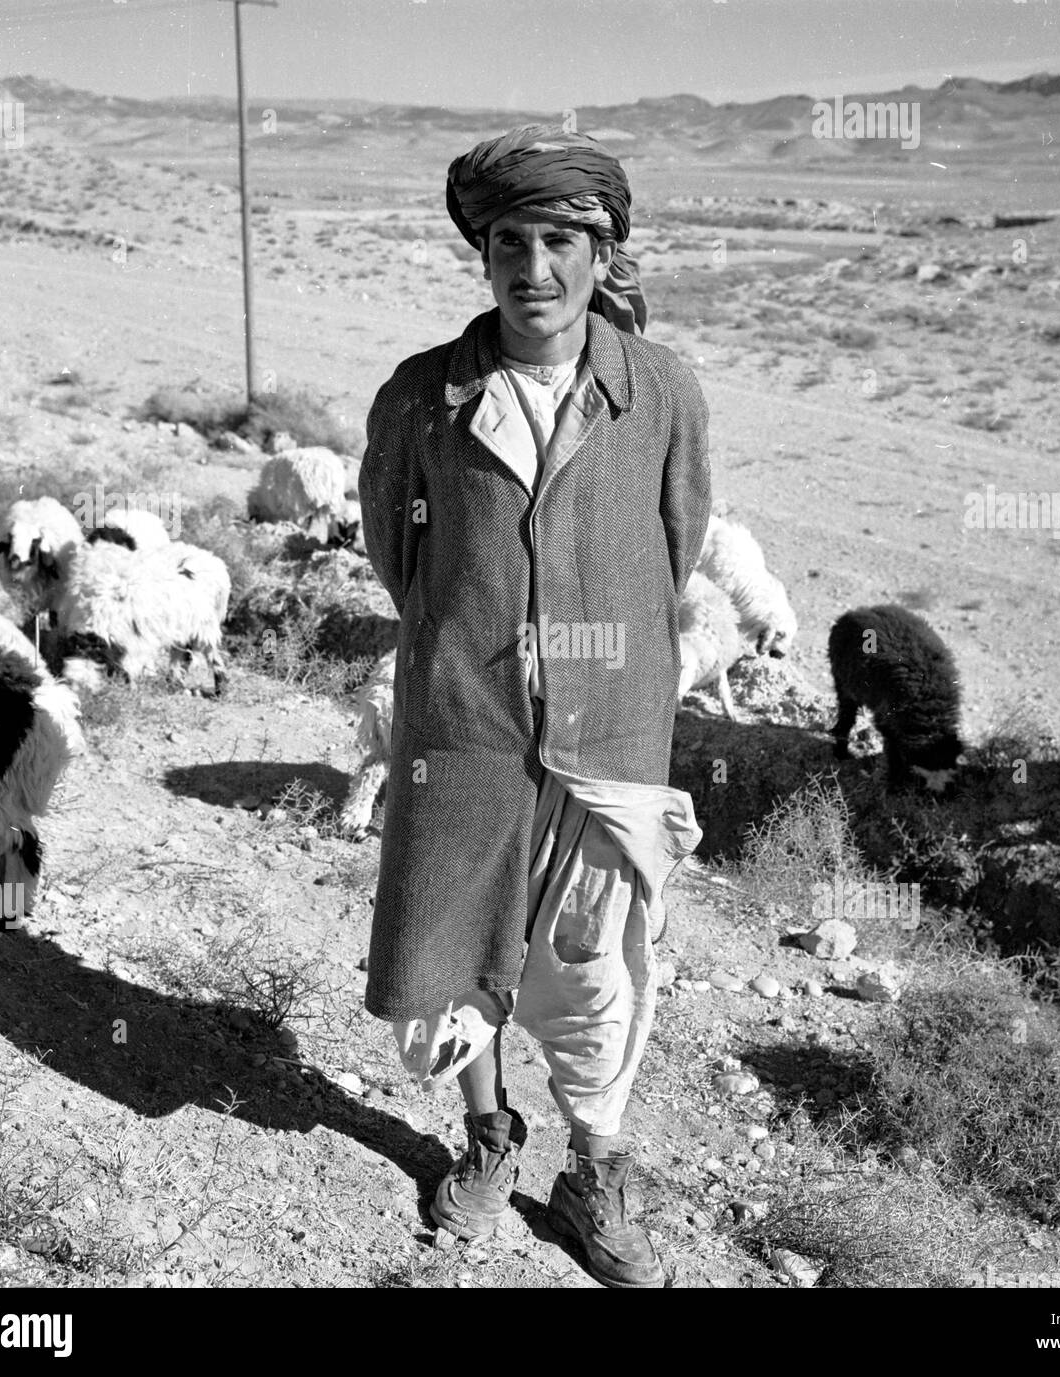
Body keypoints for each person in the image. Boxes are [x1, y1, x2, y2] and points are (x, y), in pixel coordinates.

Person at [358, 124, 710, 1289]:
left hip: (609, 731)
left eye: (560, 240)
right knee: (453, 950)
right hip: (464, 727)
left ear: (601, 251)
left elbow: (676, 544)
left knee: (596, 964)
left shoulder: (657, 390)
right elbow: (401, 559)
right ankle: (487, 1138)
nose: (534, 268)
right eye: (511, 241)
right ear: (483, 252)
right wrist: (476, 651)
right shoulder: (421, 398)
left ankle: (594, 1172)